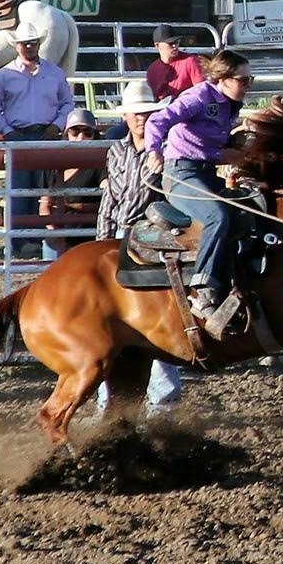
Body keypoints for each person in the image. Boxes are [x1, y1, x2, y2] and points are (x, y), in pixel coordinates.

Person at [143, 49, 253, 339]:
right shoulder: (199, 97)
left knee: (248, 211)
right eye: (243, 80)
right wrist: (153, 151)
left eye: (249, 80)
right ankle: (203, 289)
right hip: (181, 174)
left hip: (205, 174)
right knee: (216, 216)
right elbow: (157, 121)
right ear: (223, 79)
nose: (248, 86)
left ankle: (238, 285)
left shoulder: (229, 104)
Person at [93, 81, 183, 418]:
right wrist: (101, 242)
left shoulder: (166, 150)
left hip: (152, 235)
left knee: (157, 316)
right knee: (109, 319)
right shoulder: (116, 150)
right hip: (120, 233)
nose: (141, 118)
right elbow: (110, 199)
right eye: (136, 113)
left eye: (147, 113)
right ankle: (109, 400)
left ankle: (162, 399)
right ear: (126, 117)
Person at [0, 21, 76, 257]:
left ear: (38, 44)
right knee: (19, 187)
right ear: (17, 46)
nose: (29, 47)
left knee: (44, 188)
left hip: (46, 133)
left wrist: (56, 125)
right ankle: (19, 240)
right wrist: (7, 131)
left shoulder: (54, 73)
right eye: (25, 43)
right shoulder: (5, 75)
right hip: (18, 134)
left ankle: (38, 238)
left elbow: (67, 103)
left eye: (33, 43)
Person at [39, 109, 106, 261]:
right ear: (66, 134)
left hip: (89, 238)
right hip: (57, 238)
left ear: (94, 135)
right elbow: (44, 206)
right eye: (75, 131)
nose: (81, 137)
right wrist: (56, 233)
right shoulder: (53, 165)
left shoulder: (101, 165)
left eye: (87, 132)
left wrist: (74, 207)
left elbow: (107, 195)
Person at [146, 24, 207, 103]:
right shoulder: (153, 69)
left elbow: (202, 92)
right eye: (170, 43)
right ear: (157, 45)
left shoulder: (190, 61)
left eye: (177, 42)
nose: (175, 46)